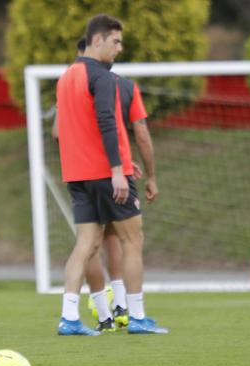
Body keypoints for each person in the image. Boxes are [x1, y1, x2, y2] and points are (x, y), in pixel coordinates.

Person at [55, 15, 168, 335]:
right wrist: (118, 170)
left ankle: (69, 318)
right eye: (116, 41)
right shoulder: (104, 78)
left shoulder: (65, 78)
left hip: (76, 176)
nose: (120, 48)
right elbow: (106, 120)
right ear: (98, 40)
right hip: (106, 174)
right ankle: (137, 316)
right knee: (133, 239)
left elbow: (60, 130)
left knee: (86, 244)